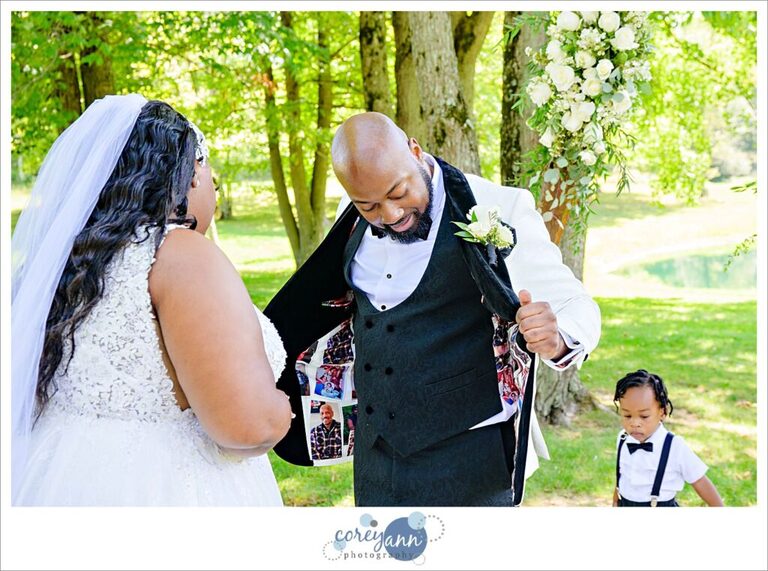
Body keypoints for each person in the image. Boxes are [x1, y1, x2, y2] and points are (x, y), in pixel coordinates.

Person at [265, 112, 601, 506]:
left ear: (415, 151)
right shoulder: (351, 213)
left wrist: (557, 338)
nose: (390, 216)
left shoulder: (498, 207)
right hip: (377, 460)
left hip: (469, 458)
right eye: (369, 206)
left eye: (397, 193)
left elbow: (578, 306)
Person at [11, 95, 293, 505]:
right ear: (192, 173)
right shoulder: (178, 255)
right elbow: (248, 426)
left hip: (56, 479)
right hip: (164, 491)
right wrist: (281, 408)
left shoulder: (66, 265)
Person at [612, 369, 724, 507]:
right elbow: (622, 474)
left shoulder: (674, 446)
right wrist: (615, 500)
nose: (634, 423)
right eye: (627, 416)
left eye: (644, 416)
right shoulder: (623, 438)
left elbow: (699, 480)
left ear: (662, 412)